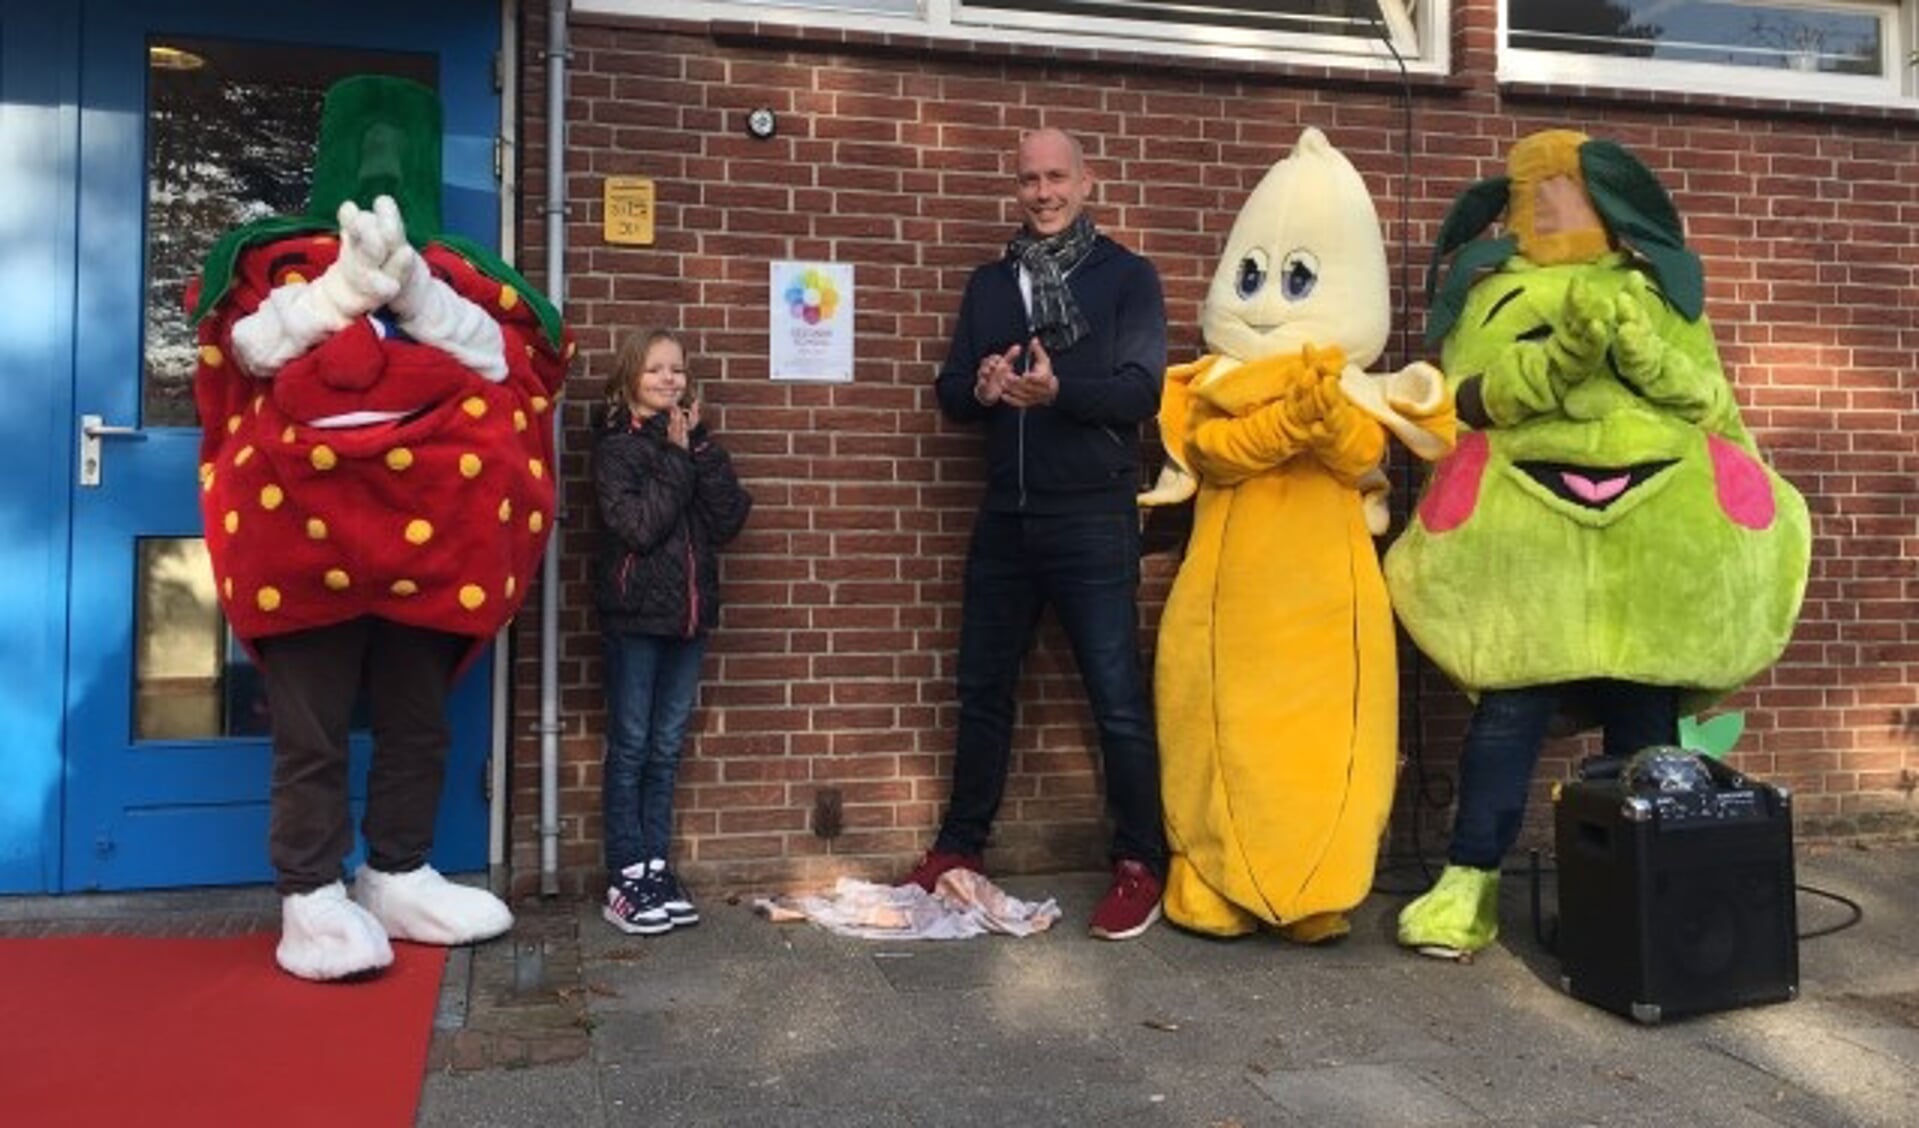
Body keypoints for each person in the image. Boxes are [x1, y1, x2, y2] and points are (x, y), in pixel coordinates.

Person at [190, 75, 571, 981]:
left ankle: (395, 871)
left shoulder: (463, 277)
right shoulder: (277, 265)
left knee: (416, 722)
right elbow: (248, 349)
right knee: (310, 730)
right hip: (303, 540)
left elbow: (511, 361)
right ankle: (310, 896)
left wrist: (413, 291)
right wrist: (343, 289)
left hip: (431, 547)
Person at [912, 127, 1170, 940]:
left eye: (1056, 177)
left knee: (1116, 702)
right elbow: (950, 389)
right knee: (981, 692)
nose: (1042, 192)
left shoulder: (1126, 277)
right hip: (1006, 517)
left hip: (1091, 515)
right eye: (1029, 180)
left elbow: (1140, 395)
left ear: (1086, 182)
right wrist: (984, 387)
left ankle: (1140, 862)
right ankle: (959, 849)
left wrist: (1058, 391)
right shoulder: (991, 283)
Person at [593, 329, 752, 935]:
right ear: (632, 377)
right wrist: (678, 461)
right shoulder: (617, 448)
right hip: (636, 621)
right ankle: (625, 875)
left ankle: (657, 865)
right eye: (656, 370)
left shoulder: (693, 441)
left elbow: (728, 518)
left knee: (666, 749)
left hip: (688, 619)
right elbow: (638, 527)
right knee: (631, 747)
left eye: (677, 370)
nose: (669, 379)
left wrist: (703, 451)